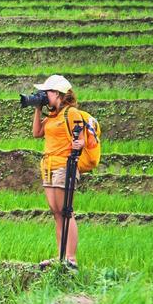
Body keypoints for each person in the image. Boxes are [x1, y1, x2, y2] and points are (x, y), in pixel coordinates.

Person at [30, 74, 95, 270]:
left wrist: (79, 143)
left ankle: (71, 259)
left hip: (64, 166)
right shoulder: (52, 115)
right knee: (56, 213)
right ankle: (61, 257)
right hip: (48, 166)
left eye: (47, 92)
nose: (44, 94)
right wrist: (37, 109)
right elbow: (36, 133)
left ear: (58, 93)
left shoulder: (72, 113)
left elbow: (82, 140)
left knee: (66, 212)